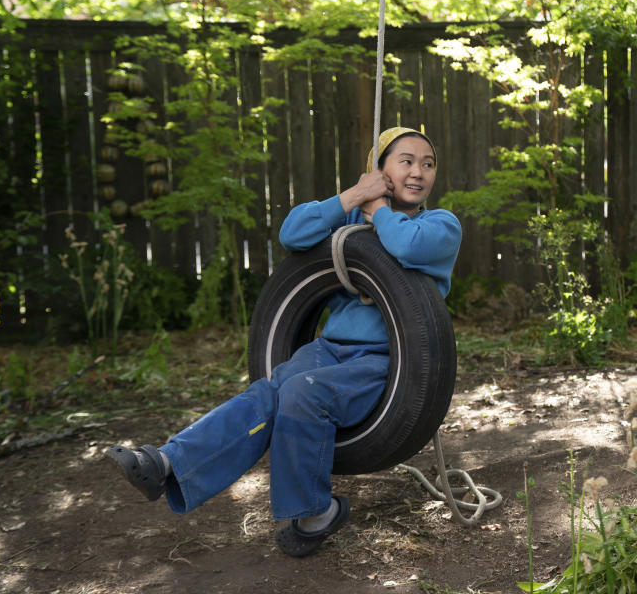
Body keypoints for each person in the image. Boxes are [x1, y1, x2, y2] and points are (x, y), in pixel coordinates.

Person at [105, 127, 462, 558]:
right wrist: (353, 197)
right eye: (405, 160)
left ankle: (313, 512)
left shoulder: (440, 225)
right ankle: (166, 464)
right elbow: (292, 234)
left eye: (428, 163)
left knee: (302, 392)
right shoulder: (350, 223)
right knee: (267, 392)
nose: (418, 171)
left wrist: (380, 210)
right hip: (329, 349)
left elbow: (405, 244)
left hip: (387, 361)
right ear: (378, 168)